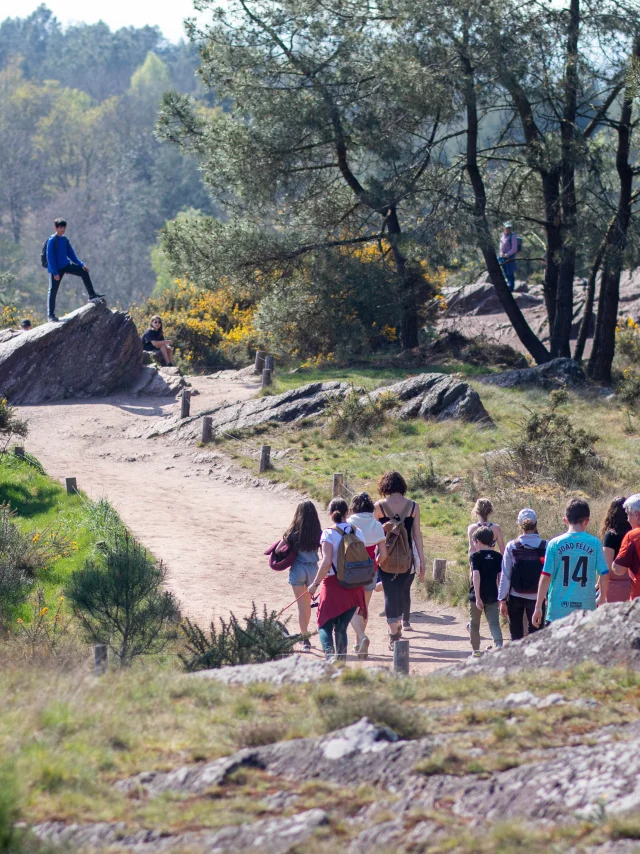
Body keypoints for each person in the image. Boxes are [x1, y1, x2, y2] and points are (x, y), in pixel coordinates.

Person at [533, 498, 609, 628]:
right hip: (586, 612)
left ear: (566, 520)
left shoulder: (554, 544)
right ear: (587, 521)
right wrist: (602, 598)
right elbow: (604, 573)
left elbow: (546, 576)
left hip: (558, 612)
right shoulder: (595, 543)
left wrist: (538, 606)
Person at [308, 499, 367, 662]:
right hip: (354, 585)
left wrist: (314, 584)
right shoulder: (358, 532)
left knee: (324, 623)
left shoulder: (328, 533)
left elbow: (326, 562)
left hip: (333, 584)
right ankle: (340, 662)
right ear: (347, 512)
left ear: (330, 513)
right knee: (341, 627)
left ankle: (330, 656)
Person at [374, 471, 425, 646]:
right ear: (402, 485)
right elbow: (417, 535)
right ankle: (399, 624)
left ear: (385, 486)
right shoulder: (413, 506)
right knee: (402, 591)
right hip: (406, 557)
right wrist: (422, 562)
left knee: (389, 594)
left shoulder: (378, 507)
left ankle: (394, 633)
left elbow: (375, 534)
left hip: (385, 557)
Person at [347, 492, 387, 659]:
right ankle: (359, 643)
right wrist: (375, 564)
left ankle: (359, 640)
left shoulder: (349, 523)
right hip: (370, 570)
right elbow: (383, 554)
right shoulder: (376, 525)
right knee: (364, 607)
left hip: (351, 570)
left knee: (349, 607)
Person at [277, 500, 322, 652]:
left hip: (298, 569)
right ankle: (306, 634)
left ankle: (305, 639)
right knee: (307, 606)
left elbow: (278, 550)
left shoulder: (293, 532)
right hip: (313, 571)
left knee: (301, 607)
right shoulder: (318, 532)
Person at [498, 508, 547, 640]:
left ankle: (515, 659)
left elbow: (506, 575)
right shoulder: (546, 546)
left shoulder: (512, 546)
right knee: (536, 636)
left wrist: (502, 599)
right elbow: (549, 574)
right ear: (536, 524)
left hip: (515, 595)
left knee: (516, 635)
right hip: (537, 597)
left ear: (519, 525)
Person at [46, 218, 104, 322]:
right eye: (60, 227)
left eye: (64, 227)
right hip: (55, 269)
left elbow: (71, 254)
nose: (62, 229)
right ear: (55, 228)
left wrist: (81, 264)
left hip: (66, 265)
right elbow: (50, 258)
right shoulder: (52, 240)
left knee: (84, 271)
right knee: (53, 291)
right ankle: (51, 315)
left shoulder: (65, 240)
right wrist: (55, 272)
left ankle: (92, 295)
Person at [468, 527, 503, 657]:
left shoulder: (475, 556)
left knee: (474, 624)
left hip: (476, 595)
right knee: (494, 623)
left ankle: (476, 651)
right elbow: (500, 578)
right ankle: (499, 646)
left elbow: (475, 576)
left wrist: (477, 597)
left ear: (478, 541)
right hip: (492, 595)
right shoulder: (498, 556)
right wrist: (501, 597)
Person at [600, 497, 632, 602]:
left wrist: (599, 588)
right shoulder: (634, 534)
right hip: (633, 583)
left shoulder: (611, 535)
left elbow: (606, 568)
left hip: (615, 586)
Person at [611, 493, 640, 600]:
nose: (627, 519)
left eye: (628, 515)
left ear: (636, 515)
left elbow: (619, 569)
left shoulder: (633, 536)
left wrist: (614, 564)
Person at [499, 221, 519, 292]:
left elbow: (514, 249)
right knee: (504, 273)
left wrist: (507, 255)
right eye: (507, 228)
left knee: (509, 273)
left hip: (509, 257)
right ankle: (507, 286)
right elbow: (501, 246)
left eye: (509, 228)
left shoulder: (513, 236)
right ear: (503, 228)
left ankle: (511, 289)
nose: (508, 229)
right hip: (502, 257)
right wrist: (501, 254)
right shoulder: (502, 235)